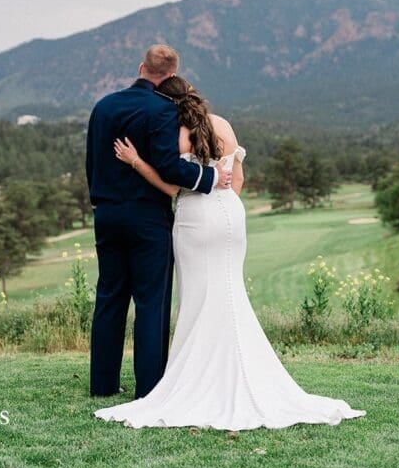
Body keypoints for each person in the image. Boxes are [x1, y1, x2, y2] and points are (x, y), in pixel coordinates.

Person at [93, 75, 365, 429]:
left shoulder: (176, 131)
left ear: (169, 103)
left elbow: (172, 186)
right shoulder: (223, 125)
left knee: (199, 297)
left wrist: (135, 162)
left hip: (195, 217)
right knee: (229, 292)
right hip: (230, 216)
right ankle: (239, 371)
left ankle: (201, 377)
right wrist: (222, 206)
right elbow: (236, 181)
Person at [85, 45, 232, 398]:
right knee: (151, 301)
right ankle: (149, 388)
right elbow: (168, 166)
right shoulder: (163, 109)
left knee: (109, 297)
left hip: (106, 213)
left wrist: (100, 202)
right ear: (171, 76)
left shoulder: (102, 106)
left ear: (141, 68)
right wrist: (211, 179)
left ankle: (102, 386)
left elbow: (92, 162)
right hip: (147, 217)